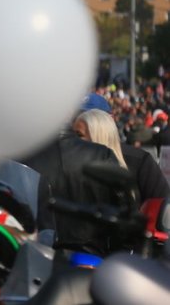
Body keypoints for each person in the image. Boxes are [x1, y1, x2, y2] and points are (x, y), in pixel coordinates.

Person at [21, 94, 121, 255]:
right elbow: (121, 213)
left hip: (39, 257)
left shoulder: (23, 156)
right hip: (92, 255)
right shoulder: (102, 154)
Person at [75, 104, 170, 203]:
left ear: (99, 134)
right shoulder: (69, 166)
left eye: (79, 135)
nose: (73, 140)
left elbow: (162, 205)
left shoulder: (140, 162)